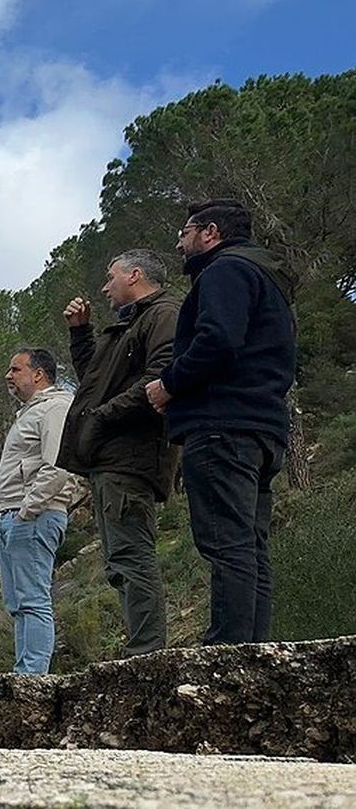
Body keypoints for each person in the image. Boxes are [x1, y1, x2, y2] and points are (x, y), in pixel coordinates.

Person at [145, 199, 295, 645]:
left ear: (210, 232)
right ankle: (251, 647)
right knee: (250, 545)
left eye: (185, 231)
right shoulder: (267, 279)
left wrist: (168, 384)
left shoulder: (225, 272)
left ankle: (227, 650)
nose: (179, 240)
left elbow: (218, 340)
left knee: (227, 543)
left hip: (222, 425)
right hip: (263, 427)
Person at [59, 250, 181, 657]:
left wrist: (101, 417)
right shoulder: (130, 324)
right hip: (111, 459)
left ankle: (146, 654)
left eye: (110, 277)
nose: (104, 287)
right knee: (119, 563)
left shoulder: (163, 314)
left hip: (131, 457)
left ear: (134, 275)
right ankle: (141, 650)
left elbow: (160, 378)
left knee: (131, 557)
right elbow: (97, 378)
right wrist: (81, 333)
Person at [0, 347, 81, 674]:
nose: (8, 376)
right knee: (18, 604)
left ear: (38, 374)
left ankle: (32, 677)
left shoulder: (55, 408)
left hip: (33, 515)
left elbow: (58, 466)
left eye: (15, 369)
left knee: (32, 600)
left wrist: (27, 510)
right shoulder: (31, 412)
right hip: (13, 515)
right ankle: (26, 674)